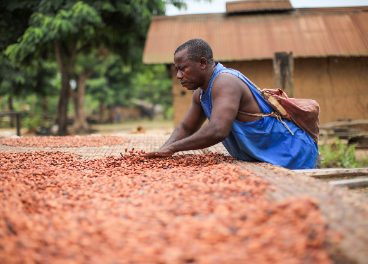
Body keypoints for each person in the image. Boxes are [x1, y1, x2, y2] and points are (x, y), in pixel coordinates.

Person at [143, 39, 318, 169]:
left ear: (202, 63)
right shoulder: (201, 93)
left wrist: (173, 148)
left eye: (182, 68)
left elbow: (217, 131)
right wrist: (163, 150)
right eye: (177, 70)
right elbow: (186, 128)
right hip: (270, 156)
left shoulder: (225, 82)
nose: (178, 76)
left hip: (293, 153)